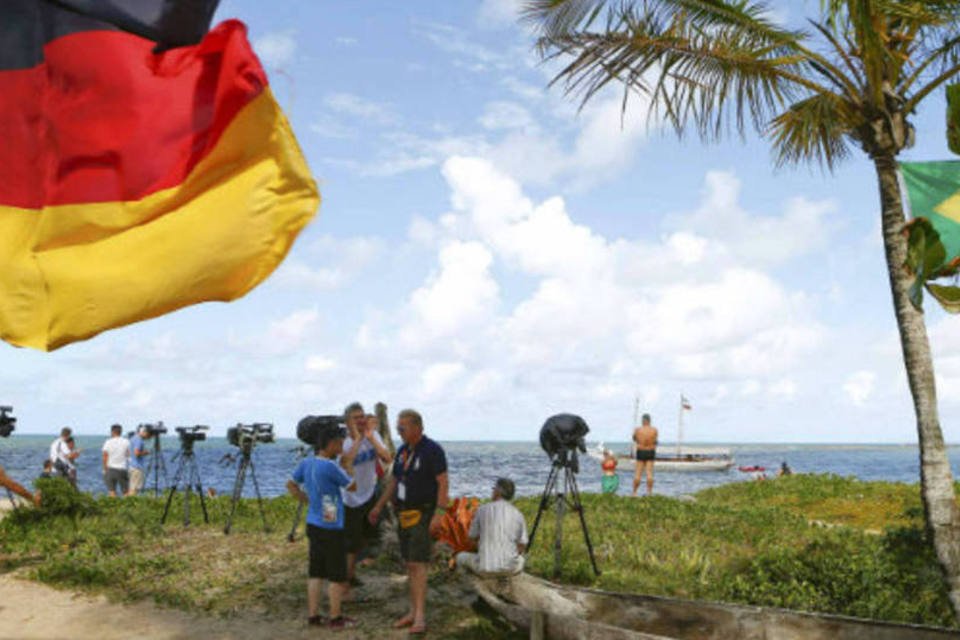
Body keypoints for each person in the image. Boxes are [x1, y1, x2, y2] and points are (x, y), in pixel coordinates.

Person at [369, 409, 448, 635]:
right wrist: (378, 506)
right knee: (410, 564)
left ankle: (420, 616)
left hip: (423, 514)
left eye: (402, 427)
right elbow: (393, 482)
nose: (399, 431)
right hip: (403, 514)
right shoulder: (403, 451)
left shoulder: (432, 450)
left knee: (418, 564)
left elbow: (443, 483)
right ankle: (413, 611)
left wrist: (439, 514)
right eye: (397, 427)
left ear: (417, 427)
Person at [286, 422, 358, 630]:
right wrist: (348, 465)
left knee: (315, 572)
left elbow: (290, 484)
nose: (342, 446)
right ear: (331, 444)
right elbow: (353, 487)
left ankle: (313, 616)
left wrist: (305, 499)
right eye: (340, 443)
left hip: (314, 522)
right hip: (332, 525)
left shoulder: (307, 463)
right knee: (336, 574)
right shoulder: (331, 466)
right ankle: (335, 618)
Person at [340, 403, 391, 588]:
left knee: (363, 538)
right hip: (349, 498)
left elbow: (387, 458)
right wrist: (358, 439)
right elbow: (346, 463)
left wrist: (371, 438)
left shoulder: (373, 435)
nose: (361, 420)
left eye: (362, 416)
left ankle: (351, 574)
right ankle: (345, 579)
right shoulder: (343, 442)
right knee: (350, 542)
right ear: (348, 422)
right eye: (356, 418)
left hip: (369, 493)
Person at [455, 478, 527, 575]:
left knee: (460, 557)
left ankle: (467, 585)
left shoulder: (482, 510)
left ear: (497, 492)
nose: (492, 491)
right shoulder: (518, 514)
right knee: (521, 560)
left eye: (493, 489)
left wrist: (483, 549)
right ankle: (505, 580)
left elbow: (471, 539)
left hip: (484, 568)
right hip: (510, 568)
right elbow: (522, 545)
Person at [101, 424, 130, 497]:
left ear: (112, 432)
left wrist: (104, 469)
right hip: (122, 468)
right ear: (121, 431)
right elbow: (128, 454)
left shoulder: (108, 442)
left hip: (110, 468)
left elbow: (105, 457)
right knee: (125, 492)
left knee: (112, 491)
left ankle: (113, 507)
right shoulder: (126, 441)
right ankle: (127, 506)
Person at [632, 414, 658, 497]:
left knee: (638, 473)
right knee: (649, 473)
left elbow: (635, 439)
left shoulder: (638, 430)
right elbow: (655, 441)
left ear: (643, 421)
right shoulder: (654, 430)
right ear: (649, 421)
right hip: (650, 451)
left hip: (641, 451)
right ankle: (649, 493)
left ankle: (634, 493)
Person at [127, 426, 151, 496]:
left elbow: (129, 452)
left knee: (132, 488)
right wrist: (146, 452)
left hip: (131, 466)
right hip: (137, 467)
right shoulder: (139, 440)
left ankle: (127, 503)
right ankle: (131, 504)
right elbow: (136, 453)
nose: (148, 436)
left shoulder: (133, 438)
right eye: (148, 434)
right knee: (135, 489)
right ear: (143, 432)